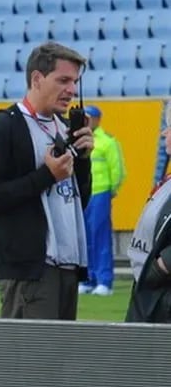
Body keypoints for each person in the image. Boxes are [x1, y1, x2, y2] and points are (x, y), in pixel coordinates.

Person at [0, 41, 94, 320]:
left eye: (74, 82)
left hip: (68, 263)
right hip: (30, 269)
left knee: (58, 360)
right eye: (63, 80)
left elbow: (76, 199)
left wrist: (83, 161)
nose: (71, 90)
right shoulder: (5, 126)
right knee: (29, 359)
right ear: (37, 79)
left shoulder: (65, 128)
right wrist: (46, 175)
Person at [126, 102, 171, 322]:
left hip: (162, 298)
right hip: (151, 295)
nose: (164, 132)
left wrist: (160, 268)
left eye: (170, 127)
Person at [78, 105, 125, 297]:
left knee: (100, 238)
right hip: (84, 195)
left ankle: (104, 281)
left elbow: (118, 170)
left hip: (100, 194)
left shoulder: (107, 142)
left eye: (89, 118)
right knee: (84, 238)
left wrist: (111, 190)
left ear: (97, 120)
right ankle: (86, 279)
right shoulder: (80, 139)